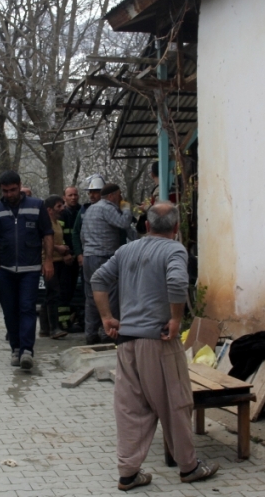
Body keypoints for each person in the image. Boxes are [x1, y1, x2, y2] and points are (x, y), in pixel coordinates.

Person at [90, 202, 219, 490]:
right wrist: (175, 319)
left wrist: (107, 317)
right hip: (158, 342)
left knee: (130, 409)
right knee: (176, 403)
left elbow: (98, 279)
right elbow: (176, 280)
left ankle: (128, 473)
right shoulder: (174, 250)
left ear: (146, 226)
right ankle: (189, 467)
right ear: (176, 228)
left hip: (126, 344)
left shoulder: (126, 251)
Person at [0, 171, 54, 370]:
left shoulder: (36, 206)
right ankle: (15, 348)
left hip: (30, 269)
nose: (9, 194)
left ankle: (27, 351)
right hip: (5, 270)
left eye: (13, 190)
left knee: (27, 308)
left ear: (20, 186)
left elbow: (47, 234)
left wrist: (48, 261)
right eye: (5, 191)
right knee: (9, 311)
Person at [81, 183, 136, 345]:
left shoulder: (91, 209)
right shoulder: (107, 208)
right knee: (110, 295)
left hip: (89, 256)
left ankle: (90, 333)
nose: (120, 199)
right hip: (103, 256)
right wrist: (126, 208)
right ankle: (109, 334)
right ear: (112, 195)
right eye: (119, 195)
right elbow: (123, 223)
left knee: (91, 296)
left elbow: (82, 234)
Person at [38, 195, 72, 339]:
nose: (62, 208)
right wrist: (58, 248)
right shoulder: (45, 224)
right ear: (49, 210)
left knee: (50, 295)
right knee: (53, 294)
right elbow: (42, 242)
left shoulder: (58, 223)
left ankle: (44, 328)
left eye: (62, 205)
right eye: (59, 206)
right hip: (47, 262)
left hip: (58, 262)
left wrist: (64, 253)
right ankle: (54, 328)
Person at [60, 186, 82, 332]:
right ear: (64, 197)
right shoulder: (61, 213)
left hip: (78, 257)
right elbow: (58, 235)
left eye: (75, 195)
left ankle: (74, 319)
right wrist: (65, 254)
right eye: (70, 195)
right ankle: (63, 322)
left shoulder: (82, 211)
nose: (73, 197)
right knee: (64, 291)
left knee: (75, 290)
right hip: (64, 258)